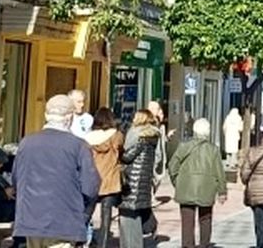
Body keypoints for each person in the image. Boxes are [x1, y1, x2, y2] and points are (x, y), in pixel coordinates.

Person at [12, 93, 102, 248]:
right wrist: (82, 214)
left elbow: (16, 180)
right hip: (64, 222)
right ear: (70, 117)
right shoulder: (78, 145)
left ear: (46, 115)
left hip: (31, 221)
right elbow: (91, 187)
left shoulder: (27, 143)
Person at [170, 118, 227, 248]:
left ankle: (187, 245)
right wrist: (222, 191)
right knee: (205, 219)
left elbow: (172, 165)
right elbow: (219, 172)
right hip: (206, 188)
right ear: (207, 132)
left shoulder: (183, 146)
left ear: (194, 131)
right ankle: (204, 244)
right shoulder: (213, 150)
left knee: (187, 221)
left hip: (186, 187)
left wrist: (177, 182)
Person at [119, 110, 163, 248]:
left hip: (131, 180)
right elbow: (158, 157)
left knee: (128, 218)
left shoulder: (136, 133)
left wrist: (118, 151)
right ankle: (149, 227)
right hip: (144, 180)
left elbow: (127, 156)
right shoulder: (154, 135)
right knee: (138, 213)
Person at [84, 108, 124, 248]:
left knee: (86, 214)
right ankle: (103, 244)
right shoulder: (116, 135)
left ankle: (77, 242)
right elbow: (121, 152)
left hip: (92, 180)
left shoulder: (88, 138)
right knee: (106, 218)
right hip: (110, 180)